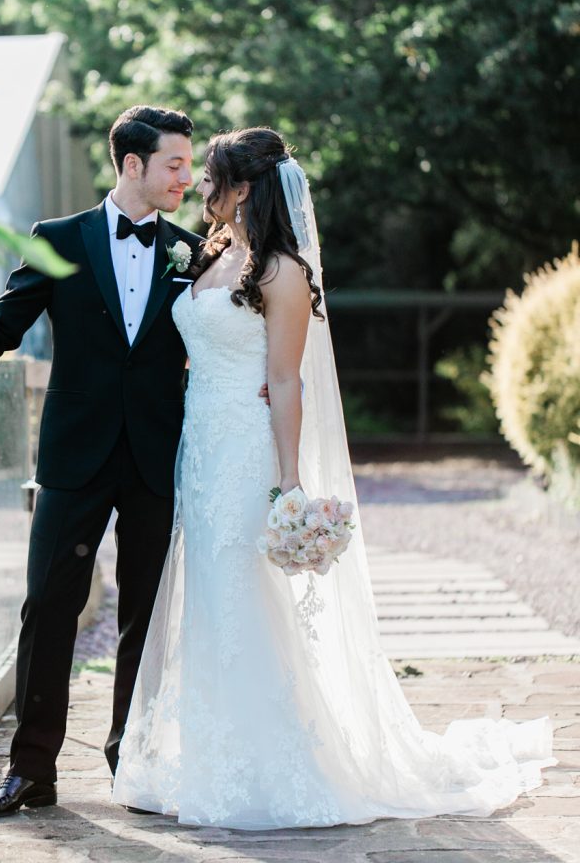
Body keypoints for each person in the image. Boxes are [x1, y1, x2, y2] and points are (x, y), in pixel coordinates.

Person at [111, 126, 555, 829]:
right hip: (198, 450)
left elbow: (286, 380)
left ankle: (269, 764)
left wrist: (288, 482)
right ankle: (208, 753)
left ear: (245, 189)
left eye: (211, 178)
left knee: (237, 592)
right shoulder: (216, 256)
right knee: (210, 597)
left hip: (246, 451)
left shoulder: (283, 272)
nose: (199, 187)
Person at [0, 105, 206, 817]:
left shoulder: (195, 250)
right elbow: (4, 322)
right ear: (133, 164)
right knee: (47, 608)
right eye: (175, 164)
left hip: (158, 456)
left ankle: (132, 762)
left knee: (147, 614)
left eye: (188, 165)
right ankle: (31, 771)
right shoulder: (56, 239)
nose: (186, 177)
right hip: (74, 457)